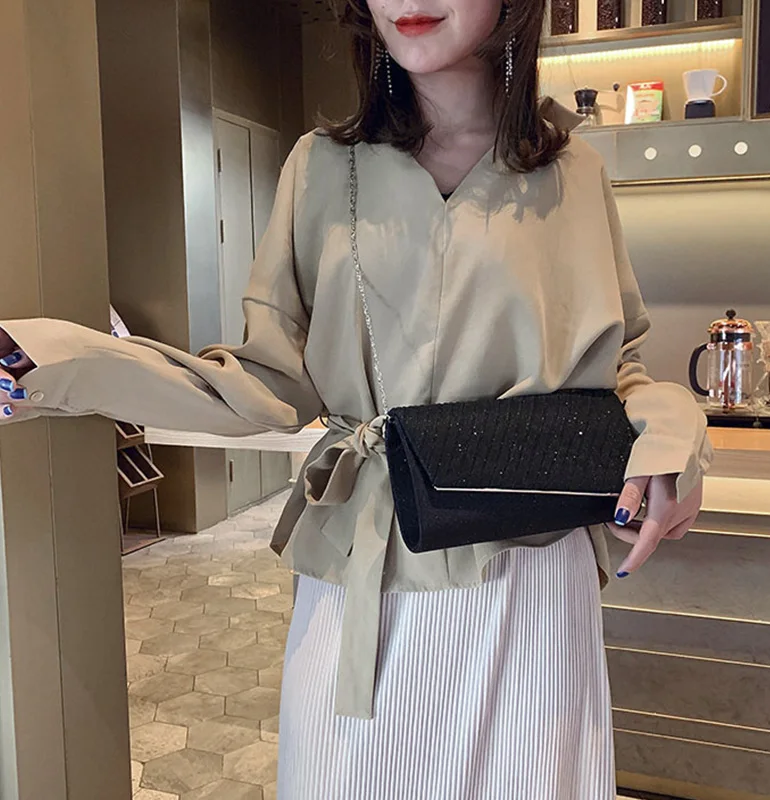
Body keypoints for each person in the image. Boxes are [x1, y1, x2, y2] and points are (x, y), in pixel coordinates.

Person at [0, 0, 712, 797]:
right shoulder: (319, 167)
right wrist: (51, 361)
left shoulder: (572, 173)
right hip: (366, 562)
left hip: (525, 578)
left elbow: (621, 369)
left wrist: (672, 440)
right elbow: (268, 380)